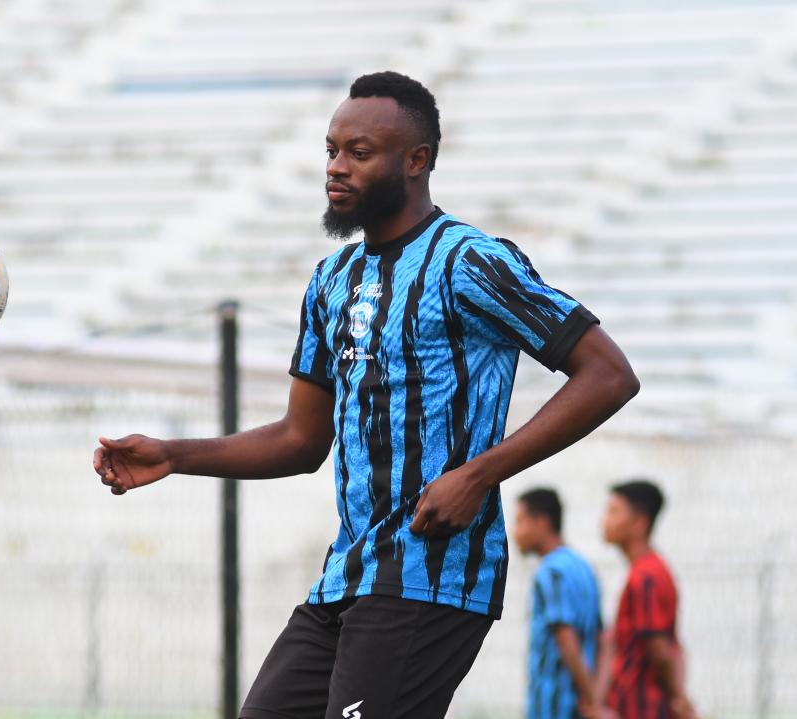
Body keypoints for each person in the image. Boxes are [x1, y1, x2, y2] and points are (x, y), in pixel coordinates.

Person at [93, 70, 640, 719]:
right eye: (330, 150)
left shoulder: (469, 260)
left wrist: (476, 475)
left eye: (358, 152)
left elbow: (607, 374)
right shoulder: (331, 279)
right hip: (345, 576)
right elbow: (300, 440)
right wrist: (174, 453)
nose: (335, 167)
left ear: (416, 161)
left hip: (431, 578)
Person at [602, 480, 693, 719]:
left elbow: (660, 650)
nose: (605, 520)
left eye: (613, 512)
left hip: (643, 708)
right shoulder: (650, 570)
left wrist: (678, 698)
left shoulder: (646, 576)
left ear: (639, 523)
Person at [513, 488, 602, 719]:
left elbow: (566, 639)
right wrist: (596, 697)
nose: (514, 533)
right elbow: (605, 638)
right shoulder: (583, 568)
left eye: (520, 522)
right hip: (583, 704)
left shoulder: (551, 572)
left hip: (554, 706)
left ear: (542, 523)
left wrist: (591, 698)